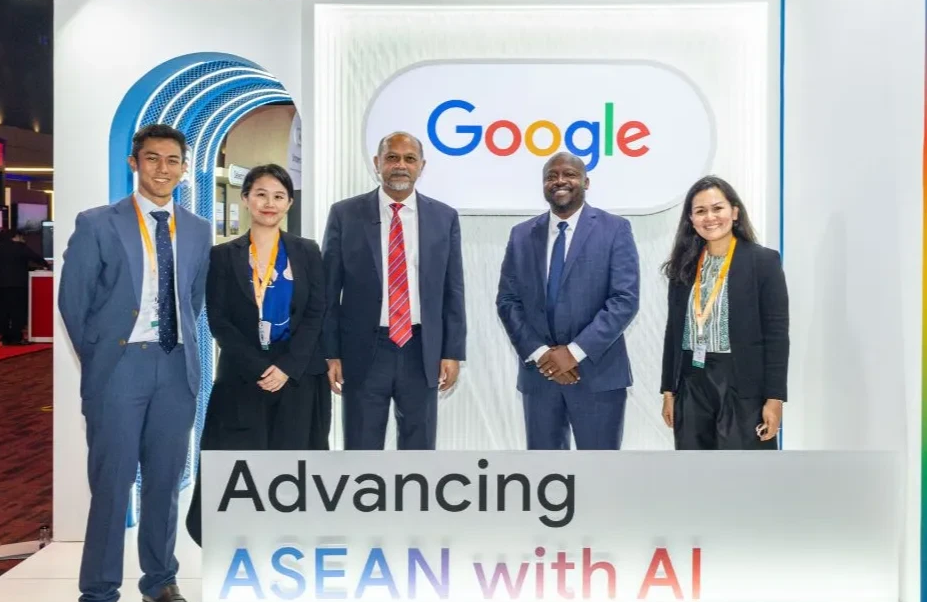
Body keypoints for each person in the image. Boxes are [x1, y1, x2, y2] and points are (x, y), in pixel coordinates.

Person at [58, 123, 211, 602]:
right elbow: (73, 304)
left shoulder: (196, 229)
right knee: (112, 486)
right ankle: (98, 601)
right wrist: (104, 358)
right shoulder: (99, 223)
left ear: (184, 168)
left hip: (175, 368)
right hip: (120, 368)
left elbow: (192, 300)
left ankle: (160, 582)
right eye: (152, 159)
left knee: (166, 483)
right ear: (134, 162)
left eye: (172, 160)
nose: (163, 169)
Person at [186, 164, 329, 546]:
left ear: (289, 203)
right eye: (261, 194)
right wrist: (260, 366)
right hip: (242, 377)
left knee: (295, 466)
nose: (270, 203)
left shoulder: (306, 251)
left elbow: (316, 312)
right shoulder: (223, 255)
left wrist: (286, 367)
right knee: (241, 465)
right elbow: (218, 319)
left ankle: (293, 544)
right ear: (246, 198)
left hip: (298, 378)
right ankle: (242, 546)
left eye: (279, 196)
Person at [322, 131, 466, 449]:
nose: (400, 165)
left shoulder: (444, 218)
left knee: (419, 447)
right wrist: (331, 352)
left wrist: (452, 352)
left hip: (421, 349)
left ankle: (413, 502)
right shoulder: (345, 215)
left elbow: (452, 290)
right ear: (377, 163)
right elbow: (328, 292)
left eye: (409, 158)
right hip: (363, 350)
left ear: (421, 166)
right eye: (392, 157)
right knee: (361, 447)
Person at [496, 151, 640, 450]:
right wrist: (541, 354)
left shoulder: (615, 229)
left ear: (586, 181)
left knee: (600, 475)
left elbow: (624, 299)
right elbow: (508, 301)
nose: (560, 181)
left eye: (569, 175)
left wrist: (574, 352)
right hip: (540, 376)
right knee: (545, 478)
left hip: (598, 377)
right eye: (551, 176)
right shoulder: (521, 235)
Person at [660, 175, 789, 449]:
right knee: (695, 475)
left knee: (743, 477)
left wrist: (774, 399)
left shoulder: (763, 262)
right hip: (692, 382)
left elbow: (777, 336)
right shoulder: (683, 267)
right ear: (691, 220)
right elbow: (673, 332)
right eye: (700, 211)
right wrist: (669, 391)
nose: (710, 217)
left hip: (741, 384)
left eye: (717, 208)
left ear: (734, 212)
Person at [0, 229, 46, 344]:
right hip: (17, 286)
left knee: (3, 312)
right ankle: (16, 337)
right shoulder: (20, 247)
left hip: (0, 287)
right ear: (16, 236)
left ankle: (5, 337)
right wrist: (46, 265)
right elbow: (36, 258)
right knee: (17, 312)